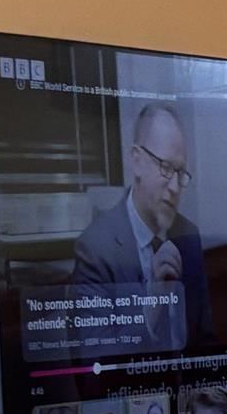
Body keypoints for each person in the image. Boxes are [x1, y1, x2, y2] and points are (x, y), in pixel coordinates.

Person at [70, 100, 211, 346]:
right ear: (136, 161)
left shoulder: (188, 235)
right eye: (166, 167)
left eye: (180, 173)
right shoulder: (95, 248)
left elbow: (205, 340)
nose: (175, 187)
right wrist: (152, 304)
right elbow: (95, 359)